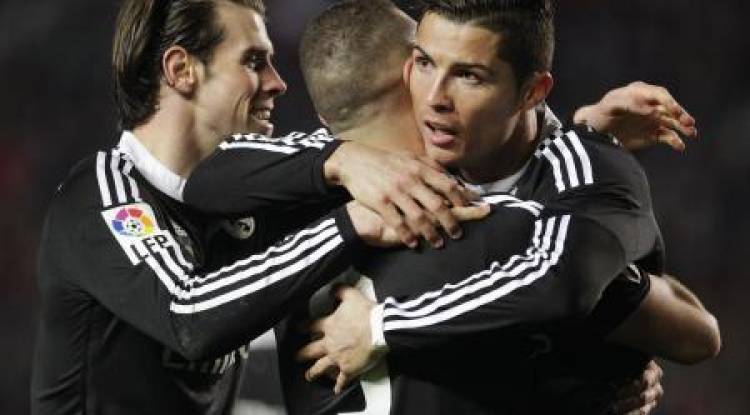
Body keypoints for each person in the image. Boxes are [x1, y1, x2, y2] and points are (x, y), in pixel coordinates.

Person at [31, 1, 490, 413]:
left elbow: (348, 146)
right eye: (253, 61)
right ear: (181, 70)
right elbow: (189, 316)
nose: (278, 82)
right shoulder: (103, 194)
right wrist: (351, 222)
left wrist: (349, 158)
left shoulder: (246, 200)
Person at [282, 1, 718, 413]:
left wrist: (380, 327)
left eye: (469, 76)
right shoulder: (365, 165)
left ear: (533, 91)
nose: (434, 97)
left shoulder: (578, 177)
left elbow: (693, 333)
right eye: (425, 62)